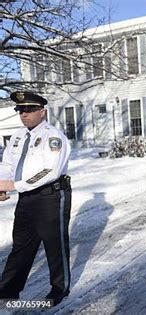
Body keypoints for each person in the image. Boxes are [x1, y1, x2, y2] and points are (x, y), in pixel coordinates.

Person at [0, 91, 72, 305]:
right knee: (21, 245)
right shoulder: (17, 136)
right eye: (20, 110)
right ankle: (7, 290)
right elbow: (8, 165)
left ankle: (59, 289)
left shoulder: (53, 137)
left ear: (42, 112)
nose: (24, 114)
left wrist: (14, 185)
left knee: (54, 245)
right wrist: (1, 185)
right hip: (26, 198)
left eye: (30, 109)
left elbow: (50, 171)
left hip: (50, 196)